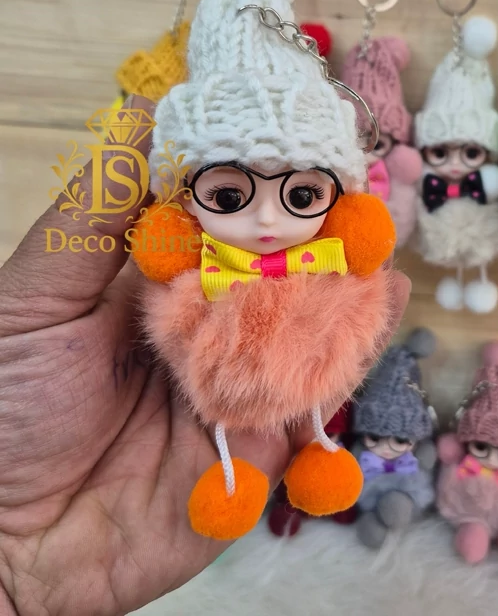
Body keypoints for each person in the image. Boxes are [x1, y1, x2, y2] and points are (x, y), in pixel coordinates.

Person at [0, 94, 411, 614]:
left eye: (302, 194)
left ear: (344, 206)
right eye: (229, 196)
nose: (268, 220)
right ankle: (231, 472)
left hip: (306, 359)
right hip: (210, 376)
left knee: (321, 377)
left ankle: (317, 447)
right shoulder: (199, 282)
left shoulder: (331, 273)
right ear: (186, 205)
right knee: (214, 387)